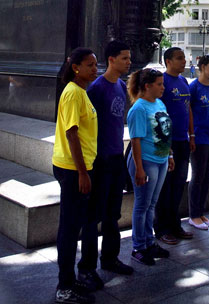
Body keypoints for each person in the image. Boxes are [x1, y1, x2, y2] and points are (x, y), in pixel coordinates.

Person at [77, 41, 133, 292]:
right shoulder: (96, 89)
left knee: (113, 214)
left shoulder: (122, 86)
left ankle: (110, 258)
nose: (128, 62)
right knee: (92, 218)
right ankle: (87, 268)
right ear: (111, 60)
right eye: (124, 58)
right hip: (99, 162)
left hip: (116, 158)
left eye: (129, 58)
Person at [52, 47, 98, 304]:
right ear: (75, 67)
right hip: (71, 169)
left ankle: (69, 278)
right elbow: (72, 134)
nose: (95, 68)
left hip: (80, 167)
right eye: (90, 64)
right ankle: (64, 286)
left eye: (95, 64)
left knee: (74, 226)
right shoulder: (72, 94)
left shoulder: (81, 92)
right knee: (69, 229)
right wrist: (82, 172)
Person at [126, 68, 175, 265]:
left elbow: (165, 130)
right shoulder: (139, 108)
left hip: (161, 159)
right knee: (142, 205)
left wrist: (169, 154)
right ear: (147, 86)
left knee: (152, 204)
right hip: (146, 161)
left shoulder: (160, 103)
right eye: (159, 84)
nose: (163, 88)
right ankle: (138, 246)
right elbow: (135, 140)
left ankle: (149, 241)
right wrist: (139, 168)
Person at [154, 47, 195, 244]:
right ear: (168, 61)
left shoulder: (184, 81)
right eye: (179, 58)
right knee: (165, 187)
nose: (184, 61)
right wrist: (166, 145)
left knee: (179, 184)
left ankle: (175, 224)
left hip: (183, 141)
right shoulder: (162, 82)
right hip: (166, 144)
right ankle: (161, 229)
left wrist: (192, 134)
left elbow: (188, 109)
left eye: (184, 58)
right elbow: (158, 114)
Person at [188, 55, 209, 229]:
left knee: (207, 176)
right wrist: (191, 135)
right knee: (198, 176)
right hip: (200, 138)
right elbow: (188, 111)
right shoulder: (193, 87)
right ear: (202, 67)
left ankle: (201, 212)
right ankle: (193, 214)